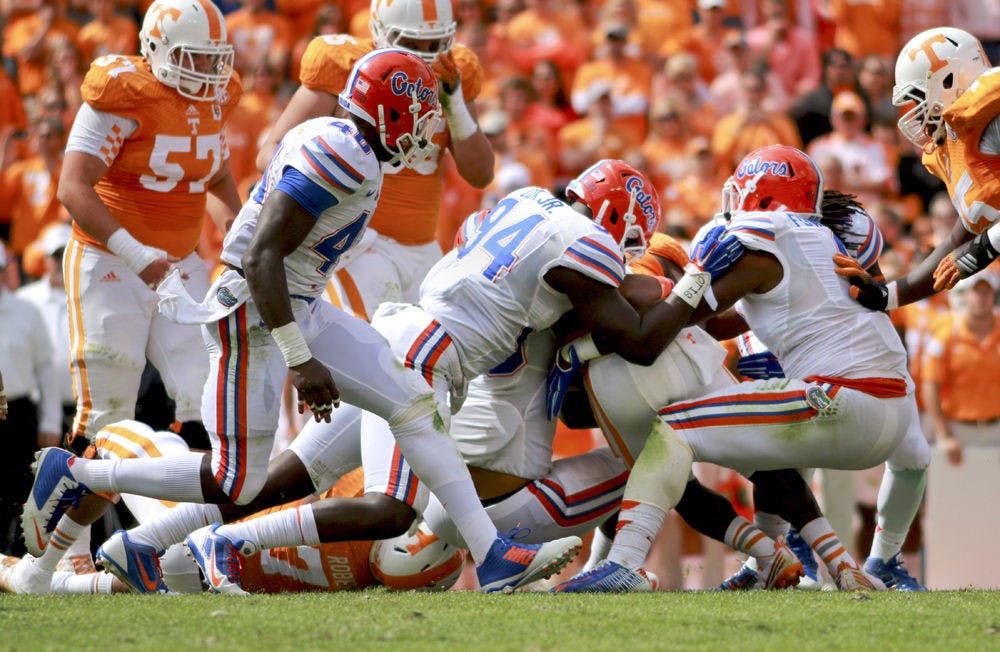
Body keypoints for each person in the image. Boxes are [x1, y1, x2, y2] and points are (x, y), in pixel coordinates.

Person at [25, 50, 581, 597]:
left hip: (297, 302)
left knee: (412, 399)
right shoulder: (341, 153)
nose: (423, 128)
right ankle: (81, 475)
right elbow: (261, 256)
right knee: (236, 482)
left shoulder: (350, 144)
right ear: (389, 111)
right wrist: (301, 358)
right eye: (416, 113)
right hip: (256, 311)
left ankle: (492, 557)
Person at [168, 158, 742, 594]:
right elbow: (639, 333)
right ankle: (225, 540)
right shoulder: (584, 249)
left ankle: (141, 535)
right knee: (389, 509)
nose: (623, 256)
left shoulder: (522, 204)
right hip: (425, 362)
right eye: (626, 242)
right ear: (616, 220)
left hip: (402, 340)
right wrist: (694, 284)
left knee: (286, 476)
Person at [554, 145, 915, 592]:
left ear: (763, 199)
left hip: (844, 398)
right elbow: (728, 317)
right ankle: (841, 568)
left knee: (673, 428)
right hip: (891, 408)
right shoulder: (819, 238)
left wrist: (596, 337)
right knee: (756, 448)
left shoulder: (762, 237)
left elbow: (660, 330)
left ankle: (625, 563)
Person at [16, 0, 243, 580]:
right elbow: (73, 185)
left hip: (181, 262)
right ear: (157, 50)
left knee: (206, 398)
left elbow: (214, 175)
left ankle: (186, 543)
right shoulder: (123, 91)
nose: (207, 72)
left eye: (215, 60)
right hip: (107, 260)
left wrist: (237, 239)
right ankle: (67, 555)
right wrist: (137, 253)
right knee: (106, 411)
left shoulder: (219, 94)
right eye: (193, 57)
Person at [256, 0, 494, 322]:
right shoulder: (347, 67)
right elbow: (271, 150)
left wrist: (454, 105)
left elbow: (480, 174)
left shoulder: (453, 71)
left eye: (435, 44)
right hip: (359, 244)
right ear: (379, 33)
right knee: (375, 352)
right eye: (410, 44)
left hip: (424, 247)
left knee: (427, 360)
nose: (424, 56)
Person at [838, 27, 1000, 306]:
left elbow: (974, 246)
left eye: (918, 96)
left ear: (949, 79)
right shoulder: (963, 137)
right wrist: (887, 296)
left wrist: (988, 245)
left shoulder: (992, 118)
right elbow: (954, 245)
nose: (915, 109)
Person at [0, 243, 59, 555]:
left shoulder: (25, 309)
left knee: (19, 491)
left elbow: (45, 367)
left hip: (18, 410)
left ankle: (18, 559)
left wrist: (49, 420)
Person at [923, 271, 1000, 464]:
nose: (981, 298)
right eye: (977, 291)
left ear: (994, 295)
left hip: (997, 428)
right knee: (955, 494)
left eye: (986, 292)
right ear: (966, 295)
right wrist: (945, 435)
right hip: (958, 431)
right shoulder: (946, 333)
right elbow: (930, 386)